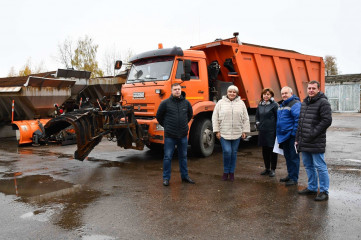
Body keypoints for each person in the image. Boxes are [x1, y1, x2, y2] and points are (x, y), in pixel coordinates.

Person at [296, 81, 332, 201]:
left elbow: (327, 120)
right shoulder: (305, 102)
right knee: (308, 165)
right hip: (304, 140)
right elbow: (300, 122)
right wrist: (297, 138)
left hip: (316, 140)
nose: (311, 90)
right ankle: (312, 187)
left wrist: (313, 133)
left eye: (313, 88)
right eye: (309, 88)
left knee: (320, 166)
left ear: (318, 89)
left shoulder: (323, 102)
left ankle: (324, 191)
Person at [156, 83, 195, 186]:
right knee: (168, 157)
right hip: (170, 135)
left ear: (181, 90)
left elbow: (190, 115)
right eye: (175, 89)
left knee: (183, 156)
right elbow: (159, 116)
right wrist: (167, 126)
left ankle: (185, 176)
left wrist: (183, 125)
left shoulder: (186, 103)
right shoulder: (165, 103)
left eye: (178, 89)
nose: (177, 91)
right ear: (171, 91)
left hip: (182, 135)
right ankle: (166, 178)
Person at [212, 85, 250, 182]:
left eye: (234, 92)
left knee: (233, 153)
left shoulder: (241, 103)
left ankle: (231, 172)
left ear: (236, 94)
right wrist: (217, 131)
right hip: (224, 133)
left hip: (237, 133)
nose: (232, 93)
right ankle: (225, 172)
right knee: (227, 152)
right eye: (230, 91)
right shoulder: (220, 103)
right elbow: (215, 117)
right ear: (227, 92)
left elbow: (246, 118)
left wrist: (244, 131)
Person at [276, 86, 301, 186]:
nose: (284, 95)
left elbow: (298, 120)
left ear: (291, 93)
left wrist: (294, 134)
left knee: (294, 158)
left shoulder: (295, 104)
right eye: (282, 93)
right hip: (284, 136)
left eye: (286, 93)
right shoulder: (282, 104)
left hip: (291, 136)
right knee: (288, 157)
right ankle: (290, 175)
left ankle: (294, 178)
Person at [255, 88, 278, 177]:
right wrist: (257, 123)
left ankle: (273, 169)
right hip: (263, 132)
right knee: (264, 151)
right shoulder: (260, 105)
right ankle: (267, 168)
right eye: (264, 94)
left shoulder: (274, 105)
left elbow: (277, 118)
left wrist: (276, 130)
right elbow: (257, 116)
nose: (266, 96)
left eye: (268, 94)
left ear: (271, 95)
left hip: (271, 132)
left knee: (272, 151)